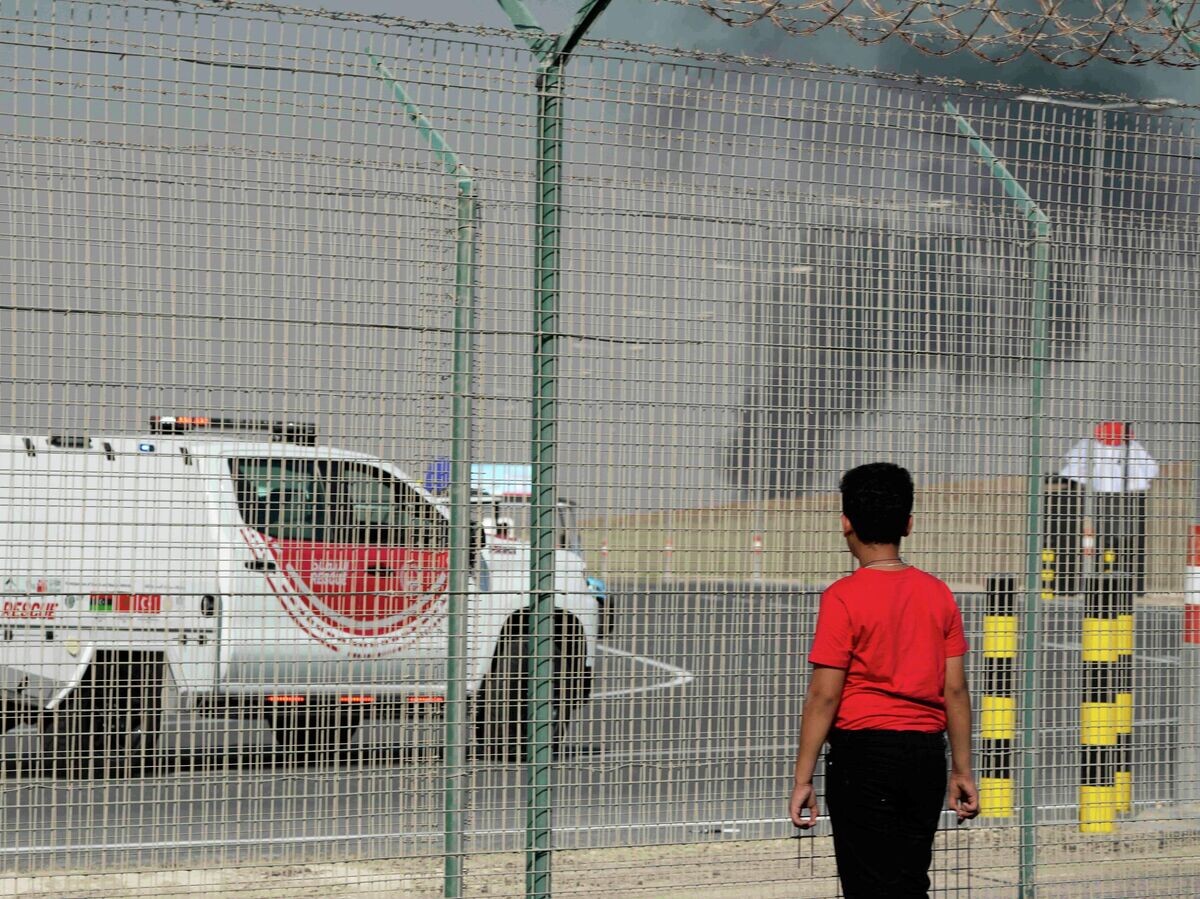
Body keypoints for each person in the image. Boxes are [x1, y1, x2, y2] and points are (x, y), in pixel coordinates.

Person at [788, 462, 979, 897]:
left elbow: (824, 695)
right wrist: (963, 769)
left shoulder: (842, 598)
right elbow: (954, 689)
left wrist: (803, 778)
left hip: (863, 757)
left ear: (845, 524)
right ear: (908, 524)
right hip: (925, 755)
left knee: (868, 884)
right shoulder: (938, 594)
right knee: (911, 879)